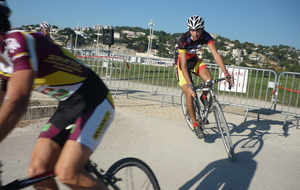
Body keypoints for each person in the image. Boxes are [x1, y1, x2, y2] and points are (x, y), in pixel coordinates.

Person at [0, 1, 114, 189]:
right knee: (38, 171)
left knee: (67, 173)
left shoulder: (17, 41)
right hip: (68, 105)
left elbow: (18, 100)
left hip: (95, 99)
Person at [175, 15, 233, 139]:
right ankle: (195, 125)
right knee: (190, 94)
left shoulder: (206, 36)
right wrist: (190, 85)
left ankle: (204, 96)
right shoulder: (183, 39)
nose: (195, 33)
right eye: (192, 30)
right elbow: (184, 65)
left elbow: (216, 55)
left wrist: (226, 72)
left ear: (202, 29)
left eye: (197, 30)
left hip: (194, 60)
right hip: (181, 64)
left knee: (209, 79)